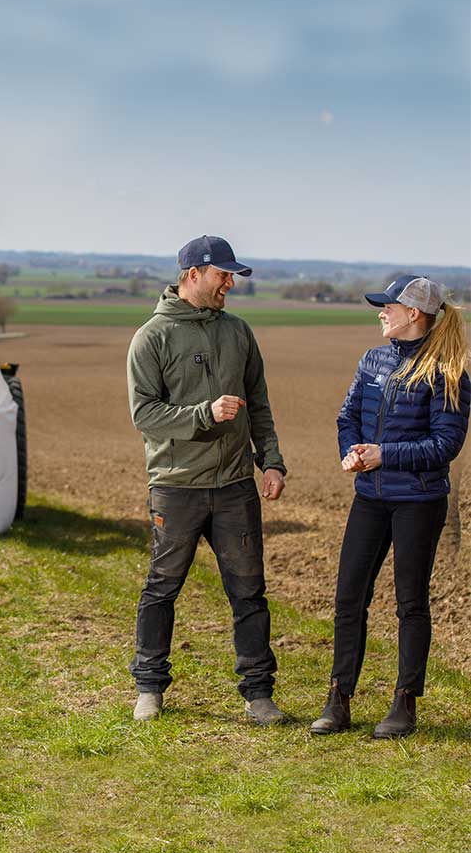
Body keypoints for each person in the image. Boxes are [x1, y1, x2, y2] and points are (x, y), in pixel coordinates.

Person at [127, 235, 287, 725]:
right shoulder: (151, 338)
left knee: (248, 591)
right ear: (193, 274)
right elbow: (145, 414)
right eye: (223, 275)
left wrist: (272, 461)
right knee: (162, 587)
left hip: (236, 484)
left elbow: (257, 401)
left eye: (232, 276)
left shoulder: (238, 332)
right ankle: (149, 687)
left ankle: (258, 694)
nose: (230, 284)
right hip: (176, 487)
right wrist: (204, 413)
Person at [311, 275, 470, 738]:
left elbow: (447, 442)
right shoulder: (373, 359)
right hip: (371, 498)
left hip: (418, 501)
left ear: (414, 314)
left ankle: (404, 704)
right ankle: (338, 699)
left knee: (410, 603)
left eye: (388, 306)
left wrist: (386, 454)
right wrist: (353, 451)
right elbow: (348, 416)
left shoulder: (448, 370)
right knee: (348, 598)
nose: (380, 312)